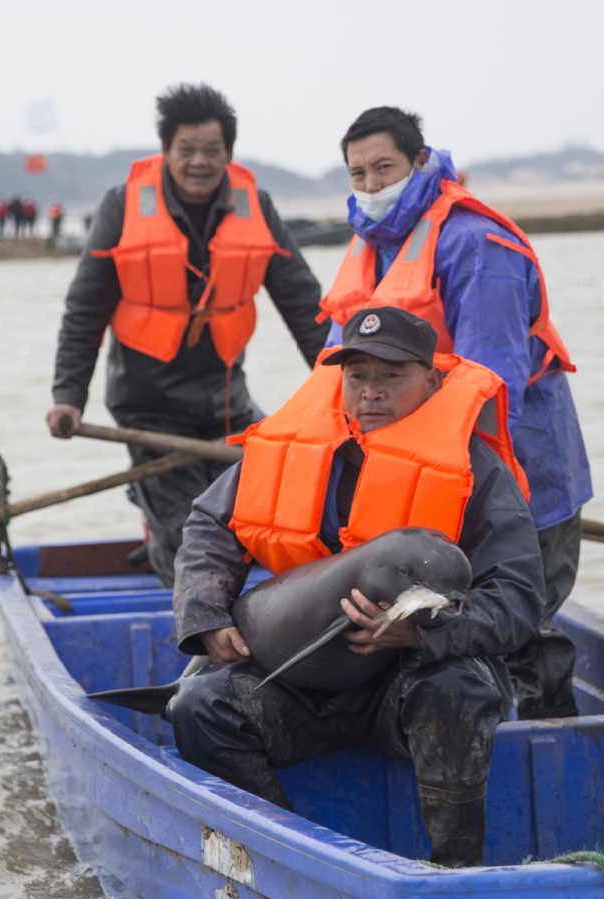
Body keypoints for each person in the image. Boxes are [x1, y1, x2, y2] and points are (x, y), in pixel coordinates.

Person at [171, 307, 544, 868]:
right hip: (302, 685)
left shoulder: (477, 471)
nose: (371, 392)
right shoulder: (293, 450)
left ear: (432, 381)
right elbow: (208, 529)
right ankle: (290, 860)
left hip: (405, 687)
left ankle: (456, 871)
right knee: (197, 706)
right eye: (358, 376)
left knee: (460, 689)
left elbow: (518, 600)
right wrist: (208, 617)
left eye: (392, 376)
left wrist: (422, 636)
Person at [320, 108, 592, 720]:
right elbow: (335, 377)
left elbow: (494, 383)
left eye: (383, 168)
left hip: (517, 464)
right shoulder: (369, 247)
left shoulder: (476, 242)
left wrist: (469, 488)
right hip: (420, 477)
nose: (370, 185)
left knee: (525, 625)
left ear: (420, 161)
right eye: (357, 173)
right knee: (442, 632)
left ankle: (544, 746)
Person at [47, 83, 327, 586]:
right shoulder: (123, 206)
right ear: (166, 151)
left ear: (229, 153)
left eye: (211, 151)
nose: (199, 162)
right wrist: (68, 396)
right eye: (187, 150)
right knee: (187, 537)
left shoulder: (255, 206)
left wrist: (340, 385)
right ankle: (195, 633)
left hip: (227, 404)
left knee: (282, 500)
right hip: (148, 407)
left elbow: (305, 305)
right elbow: (85, 308)